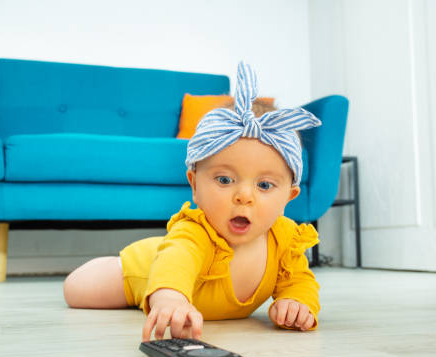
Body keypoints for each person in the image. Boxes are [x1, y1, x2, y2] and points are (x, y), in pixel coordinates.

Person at [63, 62, 322, 342]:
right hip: (147, 267)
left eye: (264, 185)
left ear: (288, 197)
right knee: (77, 290)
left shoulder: (284, 239)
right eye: (224, 180)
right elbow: (175, 263)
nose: (244, 196)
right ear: (194, 185)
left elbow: (298, 279)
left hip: (171, 269)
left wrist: (298, 302)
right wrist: (171, 301)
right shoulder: (195, 232)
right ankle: (115, 265)